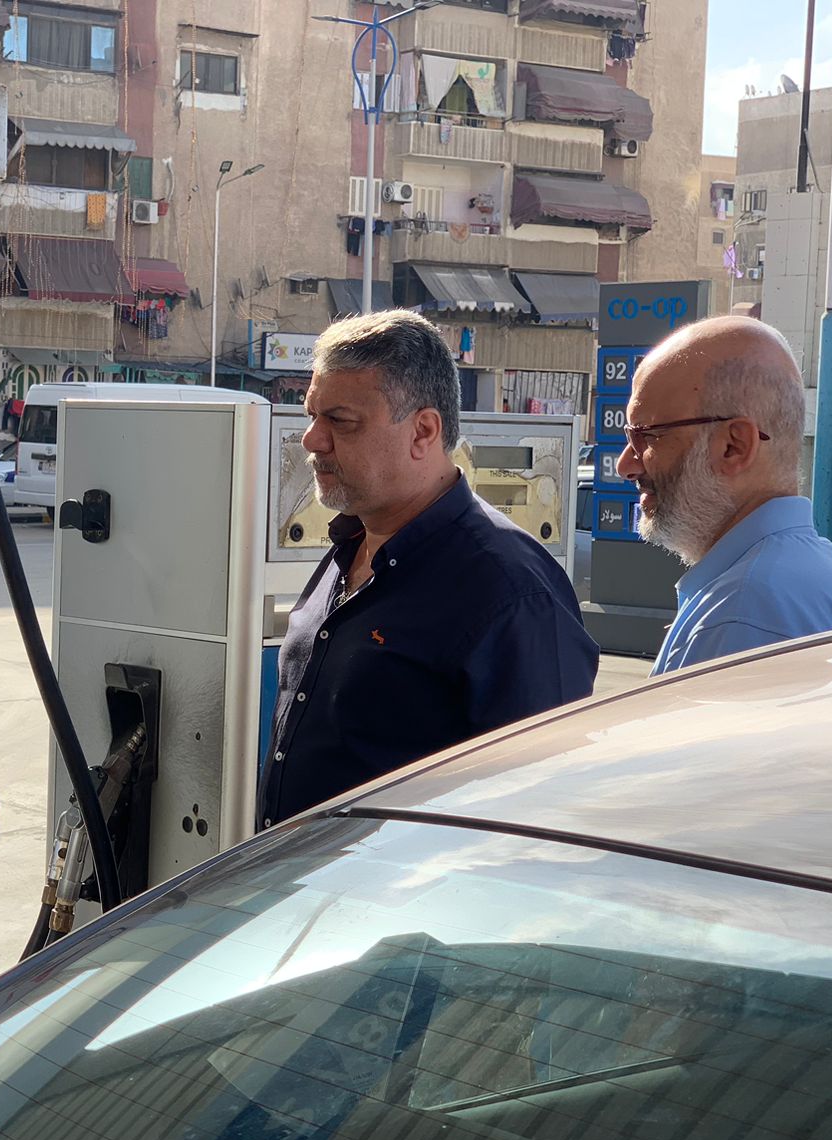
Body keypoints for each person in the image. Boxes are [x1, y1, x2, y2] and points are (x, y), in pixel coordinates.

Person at [257, 311, 599, 830]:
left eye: (340, 421)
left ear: (423, 431)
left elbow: (537, 810)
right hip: (300, 877)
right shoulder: (351, 546)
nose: (312, 440)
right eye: (311, 416)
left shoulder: (511, 591)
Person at [617, 315, 832, 675]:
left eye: (648, 436)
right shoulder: (829, 582)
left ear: (734, 446)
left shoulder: (741, 614)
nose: (625, 465)